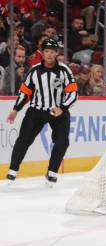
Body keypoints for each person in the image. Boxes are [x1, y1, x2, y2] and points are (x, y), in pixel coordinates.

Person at [5, 39, 78, 185]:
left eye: (52, 51)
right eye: (46, 51)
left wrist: (62, 108)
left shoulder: (64, 70)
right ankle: (13, 170)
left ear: (56, 53)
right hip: (36, 111)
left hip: (58, 112)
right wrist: (15, 109)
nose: (49, 54)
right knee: (23, 140)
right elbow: (25, 92)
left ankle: (52, 172)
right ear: (42, 53)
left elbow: (73, 93)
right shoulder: (34, 71)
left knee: (62, 141)